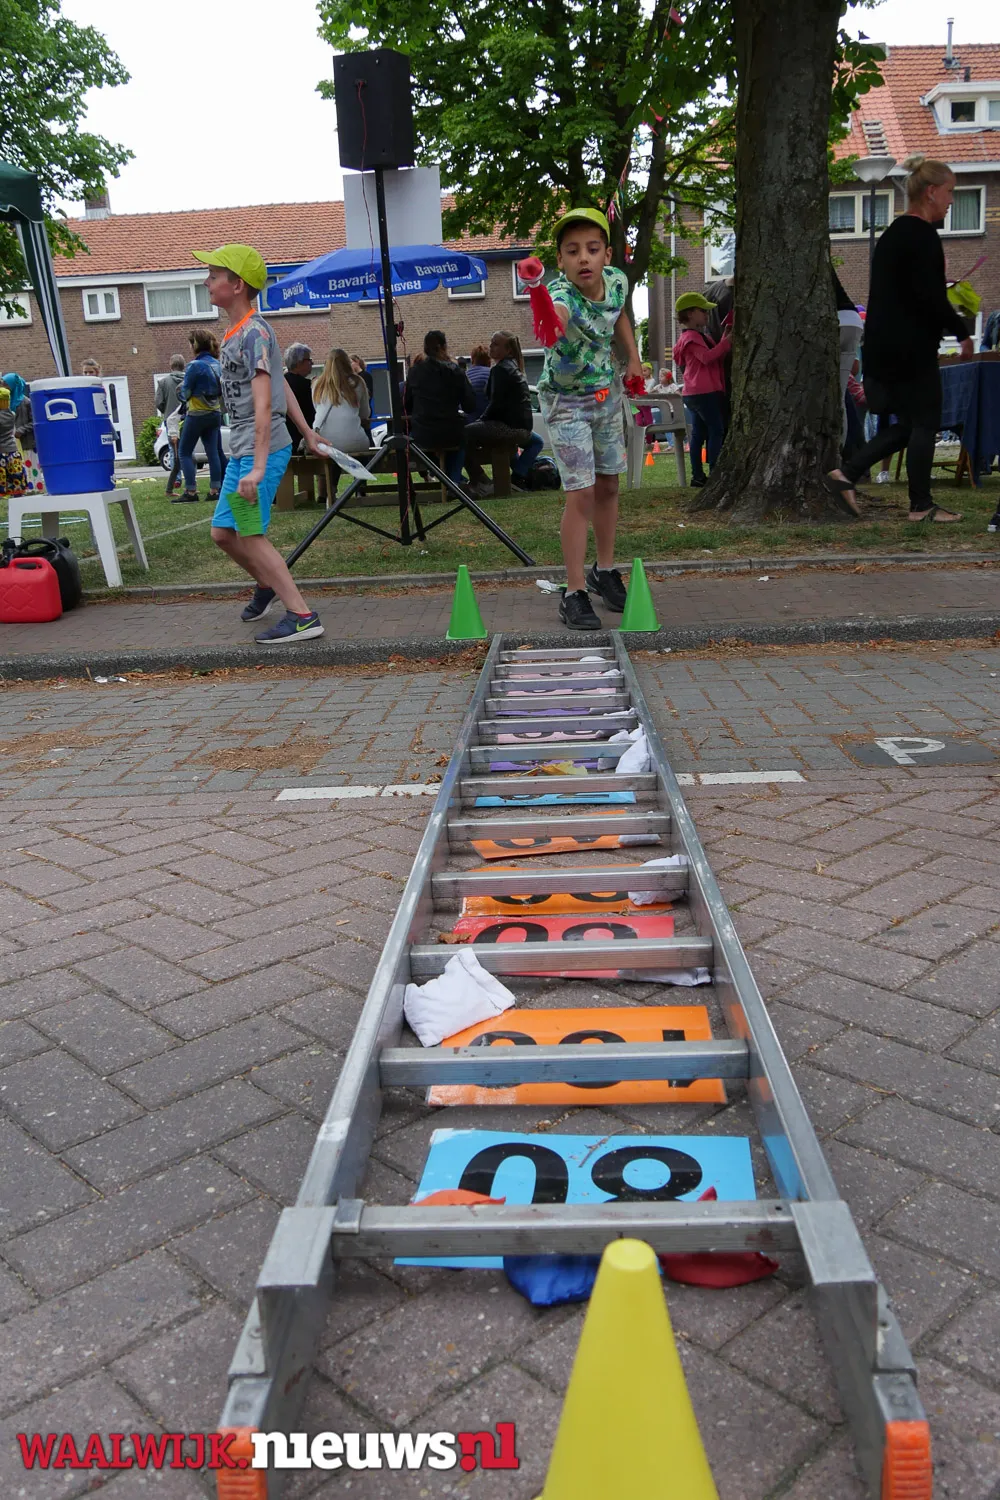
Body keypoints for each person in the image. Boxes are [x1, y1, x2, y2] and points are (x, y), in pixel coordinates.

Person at [191, 242, 327, 643]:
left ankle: (302, 615)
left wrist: (259, 467)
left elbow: (266, 404)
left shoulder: (254, 332)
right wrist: (308, 431)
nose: (207, 281)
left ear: (237, 285)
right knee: (223, 532)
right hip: (244, 450)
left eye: (214, 276)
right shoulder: (238, 333)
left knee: (250, 534)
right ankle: (267, 584)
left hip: (259, 451)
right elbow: (281, 382)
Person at [827, 155, 973, 522]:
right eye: (950, 192)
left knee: (909, 424)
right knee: (925, 421)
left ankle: (846, 474)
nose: (952, 201)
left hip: (884, 347)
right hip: (911, 348)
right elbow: (930, 297)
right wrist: (961, 332)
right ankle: (920, 506)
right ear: (931, 192)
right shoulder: (922, 236)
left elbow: (902, 294)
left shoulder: (893, 234)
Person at [535, 208, 643, 630]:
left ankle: (604, 570)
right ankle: (575, 591)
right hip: (565, 402)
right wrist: (548, 318)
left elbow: (619, 314)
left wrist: (633, 358)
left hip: (605, 394)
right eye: (572, 251)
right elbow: (556, 319)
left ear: (607, 255)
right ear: (560, 260)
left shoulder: (617, 281)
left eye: (592, 249)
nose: (583, 258)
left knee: (609, 485)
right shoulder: (560, 292)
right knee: (581, 493)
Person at [464, 331, 543, 495]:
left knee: (461, 434)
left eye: (496, 344)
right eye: (491, 343)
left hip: (507, 427)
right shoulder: (515, 367)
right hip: (523, 428)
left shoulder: (500, 370)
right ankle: (518, 476)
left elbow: (496, 404)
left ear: (508, 350)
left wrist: (481, 420)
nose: (491, 346)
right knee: (537, 442)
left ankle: (480, 478)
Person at [403, 330, 476, 488]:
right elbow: (470, 405)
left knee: (417, 443)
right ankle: (454, 480)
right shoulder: (455, 371)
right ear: (444, 347)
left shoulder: (415, 372)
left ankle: (445, 478)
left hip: (422, 432)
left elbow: (406, 404)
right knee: (463, 438)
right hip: (450, 430)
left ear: (425, 348)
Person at [672, 291, 731, 488]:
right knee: (716, 430)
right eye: (703, 311)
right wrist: (728, 342)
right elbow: (707, 358)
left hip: (694, 392)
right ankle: (714, 472)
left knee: (698, 434)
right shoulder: (691, 338)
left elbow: (714, 353)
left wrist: (725, 337)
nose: (707, 315)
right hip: (704, 391)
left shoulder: (697, 336)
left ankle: (698, 475)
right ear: (690, 314)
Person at [313, 347, 371, 498]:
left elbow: (317, 411)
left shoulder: (317, 384)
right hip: (354, 441)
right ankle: (360, 487)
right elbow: (365, 413)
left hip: (325, 442)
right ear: (347, 363)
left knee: (335, 450)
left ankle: (331, 489)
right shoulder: (358, 382)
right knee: (358, 445)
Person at [176, 328, 224, 503]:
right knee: (213, 452)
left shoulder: (194, 366)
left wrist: (181, 391)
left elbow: (186, 392)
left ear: (195, 345)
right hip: (215, 412)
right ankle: (215, 490)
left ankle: (190, 491)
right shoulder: (218, 364)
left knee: (184, 451)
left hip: (197, 413)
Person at [834, 267, 864, 451]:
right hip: (853, 320)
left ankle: (842, 449)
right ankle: (845, 449)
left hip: (836, 319)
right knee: (840, 393)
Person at [2, 371, 43, 494]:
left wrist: (21, 430)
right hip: (11, 441)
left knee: (31, 464)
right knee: (18, 466)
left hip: (26, 440)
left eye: (6, 384)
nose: (3, 387)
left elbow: (34, 420)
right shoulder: (5, 402)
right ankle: (22, 488)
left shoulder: (26, 402)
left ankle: (35, 488)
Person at [156, 355, 186, 496]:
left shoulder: (163, 382)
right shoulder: (189, 380)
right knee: (188, 451)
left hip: (171, 420)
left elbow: (159, 402)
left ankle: (176, 480)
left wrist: (167, 410)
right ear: (184, 365)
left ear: (170, 365)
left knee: (174, 452)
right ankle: (190, 482)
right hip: (187, 419)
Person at [284, 343, 315, 451]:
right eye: (309, 360)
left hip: (283, 441)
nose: (312, 363)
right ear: (299, 363)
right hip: (301, 441)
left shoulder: (279, 383)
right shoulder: (306, 386)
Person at [0, 384, 24, 498]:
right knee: (16, 481)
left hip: (1, 453)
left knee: (2, 482)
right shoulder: (12, 414)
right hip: (12, 452)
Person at [466, 344, 491, 416]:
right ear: (489, 360)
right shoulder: (491, 374)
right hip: (488, 418)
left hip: (468, 419)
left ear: (472, 360)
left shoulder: (465, 375)